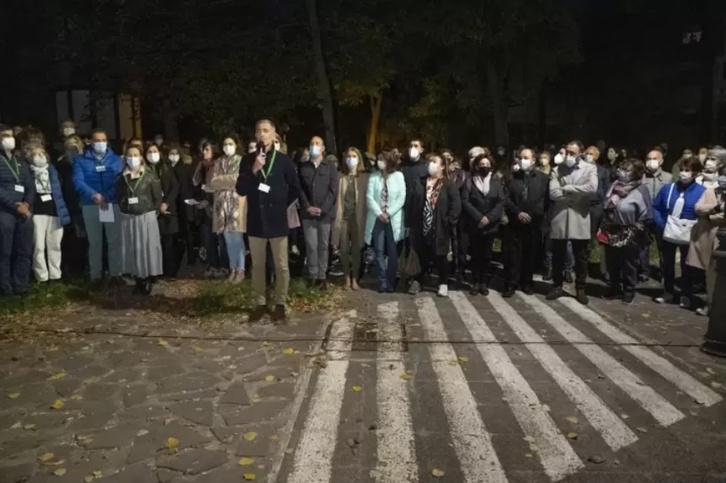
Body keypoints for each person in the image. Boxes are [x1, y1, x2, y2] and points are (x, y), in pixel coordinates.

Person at [236, 119, 300, 322]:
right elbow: (240, 189)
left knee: (282, 266)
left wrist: (282, 204)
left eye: (266, 131)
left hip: (278, 221)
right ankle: (260, 302)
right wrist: (254, 170)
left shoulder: (283, 161)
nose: (261, 134)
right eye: (258, 131)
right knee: (258, 265)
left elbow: (295, 187)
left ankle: (280, 302)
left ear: (274, 135)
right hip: (256, 221)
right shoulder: (247, 160)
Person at [547, 140, 598, 304]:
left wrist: (568, 189)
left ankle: (581, 288)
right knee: (558, 255)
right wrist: (577, 193)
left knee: (581, 256)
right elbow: (553, 193)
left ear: (580, 154)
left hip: (580, 216)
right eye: (566, 152)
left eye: (572, 153)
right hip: (561, 216)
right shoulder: (557, 169)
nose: (568, 156)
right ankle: (557, 286)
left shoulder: (590, 168)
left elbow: (592, 188)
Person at [72, 128, 123, 289]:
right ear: (91, 142)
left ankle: (116, 274)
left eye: (103, 140)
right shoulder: (81, 160)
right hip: (91, 205)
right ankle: (96, 275)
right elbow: (78, 181)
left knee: (113, 241)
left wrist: (106, 196)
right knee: (95, 242)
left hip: (109, 204)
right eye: (97, 140)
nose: (100, 143)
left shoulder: (116, 160)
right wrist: (95, 196)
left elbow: (120, 181)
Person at [652, 156, 706, 308]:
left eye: (687, 170)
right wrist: (660, 223)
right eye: (682, 170)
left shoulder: (701, 191)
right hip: (668, 231)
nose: (683, 173)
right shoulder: (669, 189)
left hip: (689, 233)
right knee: (667, 264)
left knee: (687, 265)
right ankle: (668, 293)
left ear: (695, 173)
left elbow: (704, 212)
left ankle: (685, 295)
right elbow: (656, 206)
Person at [406, 153, 461, 297]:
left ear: (442, 166)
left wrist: (449, 221)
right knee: (421, 254)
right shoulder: (420, 182)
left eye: (435, 162)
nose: (431, 164)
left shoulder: (448, 184)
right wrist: (410, 222)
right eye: (429, 162)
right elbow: (411, 202)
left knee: (440, 256)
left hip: (440, 226)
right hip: (421, 225)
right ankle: (418, 280)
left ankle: (443, 283)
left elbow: (455, 205)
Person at [599, 159, 652, 304]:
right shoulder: (614, 185)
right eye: (621, 168)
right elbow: (606, 203)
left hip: (631, 230)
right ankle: (614, 288)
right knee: (612, 262)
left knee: (629, 263)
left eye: (627, 170)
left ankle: (629, 290)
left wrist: (637, 228)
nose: (622, 172)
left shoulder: (641, 189)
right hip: (612, 229)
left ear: (635, 173)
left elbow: (646, 213)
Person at [116, 146, 163, 295]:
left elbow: (157, 196)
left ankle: (148, 279)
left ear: (141, 157)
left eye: (135, 155)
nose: (132, 158)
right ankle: (138, 279)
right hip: (128, 218)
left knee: (147, 248)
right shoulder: (121, 177)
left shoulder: (150, 175)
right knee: (133, 248)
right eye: (129, 155)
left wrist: (152, 211)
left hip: (146, 217)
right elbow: (119, 196)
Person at [503, 148, 549, 297]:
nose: (523, 160)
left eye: (526, 157)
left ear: (533, 160)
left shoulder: (542, 178)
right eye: (521, 157)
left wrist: (532, 214)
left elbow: (544, 199)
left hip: (533, 223)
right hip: (515, 221)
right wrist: (517, 213)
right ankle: (511, 283)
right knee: (514, 254)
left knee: (530, 253)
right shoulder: (511, 177)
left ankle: (527, 282)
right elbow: (506, 197)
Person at [27, 143, 71, 284]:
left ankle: (55, 275)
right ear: (30, 157)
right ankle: (42, 276)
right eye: (35, 154)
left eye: (42, 153)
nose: (39, 156)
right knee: (39, 246)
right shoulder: (28, 171)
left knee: (55, 244)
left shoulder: (53, 170)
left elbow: (60, 188)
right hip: (37, 211)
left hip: (55, 210)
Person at [461, 153, 505, 296]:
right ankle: (475, 281)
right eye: (482, 164)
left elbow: (500, 202)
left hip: (490, 225)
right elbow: (465, 201)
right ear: (476, 166)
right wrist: (479, 217)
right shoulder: (469, 182)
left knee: (487, 255)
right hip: (474, 224)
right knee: (474, 254)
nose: (484, 167)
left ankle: (484, 282)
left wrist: (489, 218)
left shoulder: (496, 182)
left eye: (487, 164)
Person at [298, 136, 339, 287]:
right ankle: (313, 275)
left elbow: (333, 191)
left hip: (325, 214)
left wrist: (322, 209)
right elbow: (300, 190)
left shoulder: (330, 167)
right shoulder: (304, 167)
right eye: (311, 143)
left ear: (322, 148)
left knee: (323, 245)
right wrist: (307, 206)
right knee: (311, 245)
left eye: (317, 144)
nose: (314, 146)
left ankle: (322, 276)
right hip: (308, 213)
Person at [687, 161, 726, 316]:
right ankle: (710, 305)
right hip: (709, 237)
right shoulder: (711, 191)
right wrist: (715, 209)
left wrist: (710, 217)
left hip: (722, 237)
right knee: (710, 274)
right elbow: (698, 208)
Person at [0, 124, 35, 297]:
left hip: (24, 211)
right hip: (5, 211)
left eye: (11, 136)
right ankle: (5, 287)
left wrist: (27, 204)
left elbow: (30, 185)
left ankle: (21, 285)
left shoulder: (20, 161)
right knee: (5, 251)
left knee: (24, 250)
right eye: (5, 136)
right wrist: (15, 205)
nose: (9, 139)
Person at [365, 149, 406, 293]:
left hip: (392, 218)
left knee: (393, 251)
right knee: (378, 250)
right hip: (377, 218)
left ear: (389, 161)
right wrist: (379, 213)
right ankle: (382, 280)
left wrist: (388, 213)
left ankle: (391, 280)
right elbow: (369, 198)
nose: (379, 162)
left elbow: (401, 197)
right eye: (378, 159)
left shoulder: (398, 176)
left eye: (382, 159)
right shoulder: (373, 177)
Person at [210, 136, 246, 283]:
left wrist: (222, 180)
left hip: (237, 203)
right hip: (221, 205)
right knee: (227, 239)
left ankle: (241, 269)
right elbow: (213, 182)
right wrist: (227, 181)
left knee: (237, 238)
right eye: (225, 144)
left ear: (236, 145)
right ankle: (232, 268)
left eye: (230, 144)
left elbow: (238, 179)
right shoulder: (218, 162)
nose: (227, 146)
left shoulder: (242, 161)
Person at [332, 147, 369, 291]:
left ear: (359, 159)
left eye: (354, 156)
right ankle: (346, 277)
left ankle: (355, 279)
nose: (351, 159)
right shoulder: (340, 176)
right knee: (344, 249)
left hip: (358, 218)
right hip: (343, 217)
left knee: (357, 249)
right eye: (348, 156)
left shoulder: (364, 177)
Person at [193, 141, 228, 278]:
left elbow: (219, 186)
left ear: (214, 150)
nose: (204, 152)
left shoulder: (219, 165)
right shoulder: (202, 166)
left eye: (207, 149)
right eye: (203, 150)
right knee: (208, 239)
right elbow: (195, 182)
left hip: (217, 207)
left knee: (221, 240)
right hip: (204, 209)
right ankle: (213, 265)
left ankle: (225, 267)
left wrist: (208, 200)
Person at [55, 135, 88, 278]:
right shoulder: (60, 166)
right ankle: (71, 270)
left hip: (85, 205)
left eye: (76, 146)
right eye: (69, 147)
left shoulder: (86, 163)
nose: (73, 149)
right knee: (70, 241)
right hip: (68, 206)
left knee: (85, 240)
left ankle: (84, 269)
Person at [146, 144, 181, 279]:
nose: (152, 154)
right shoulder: (145, 170)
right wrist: (155, 206)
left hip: (167, 210)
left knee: (169, 243)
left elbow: (175, 187)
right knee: (154, 244)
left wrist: (166, 203)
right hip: (152, 211)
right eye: (149, 151)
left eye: (155, 151)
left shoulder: (167, 168)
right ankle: (156, 271)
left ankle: (170, 271)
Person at [641, 149, 672, 280]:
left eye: (654, 158)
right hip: (644, 215)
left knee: (663, 247)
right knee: (643, 246)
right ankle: (644, 272)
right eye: (648, 158)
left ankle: (664, 273)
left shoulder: (668, 177)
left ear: (661, 161)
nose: (650, 161)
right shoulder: (641, 176)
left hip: (661, 217)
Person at [169, 143, 198, 266]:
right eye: (172, 154)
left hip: (184, 203)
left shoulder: (184, 168)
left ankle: (191, 257)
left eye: (176, 154)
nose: (174, 156)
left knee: (187, 232)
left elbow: (188, 186)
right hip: (173, 204)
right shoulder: (168, 168)